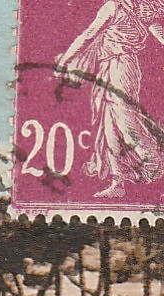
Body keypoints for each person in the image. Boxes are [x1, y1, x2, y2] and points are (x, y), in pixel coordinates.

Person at [58, 0, 164, 198]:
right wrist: (65, 61)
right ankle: (118, 181)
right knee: (108, 126)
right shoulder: (114, 7)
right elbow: (89, 35)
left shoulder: (138, 10)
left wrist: (64, 61)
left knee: (125, 121)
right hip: (107, 67)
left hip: (123, 67)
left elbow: (160, 35)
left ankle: (154, 162)